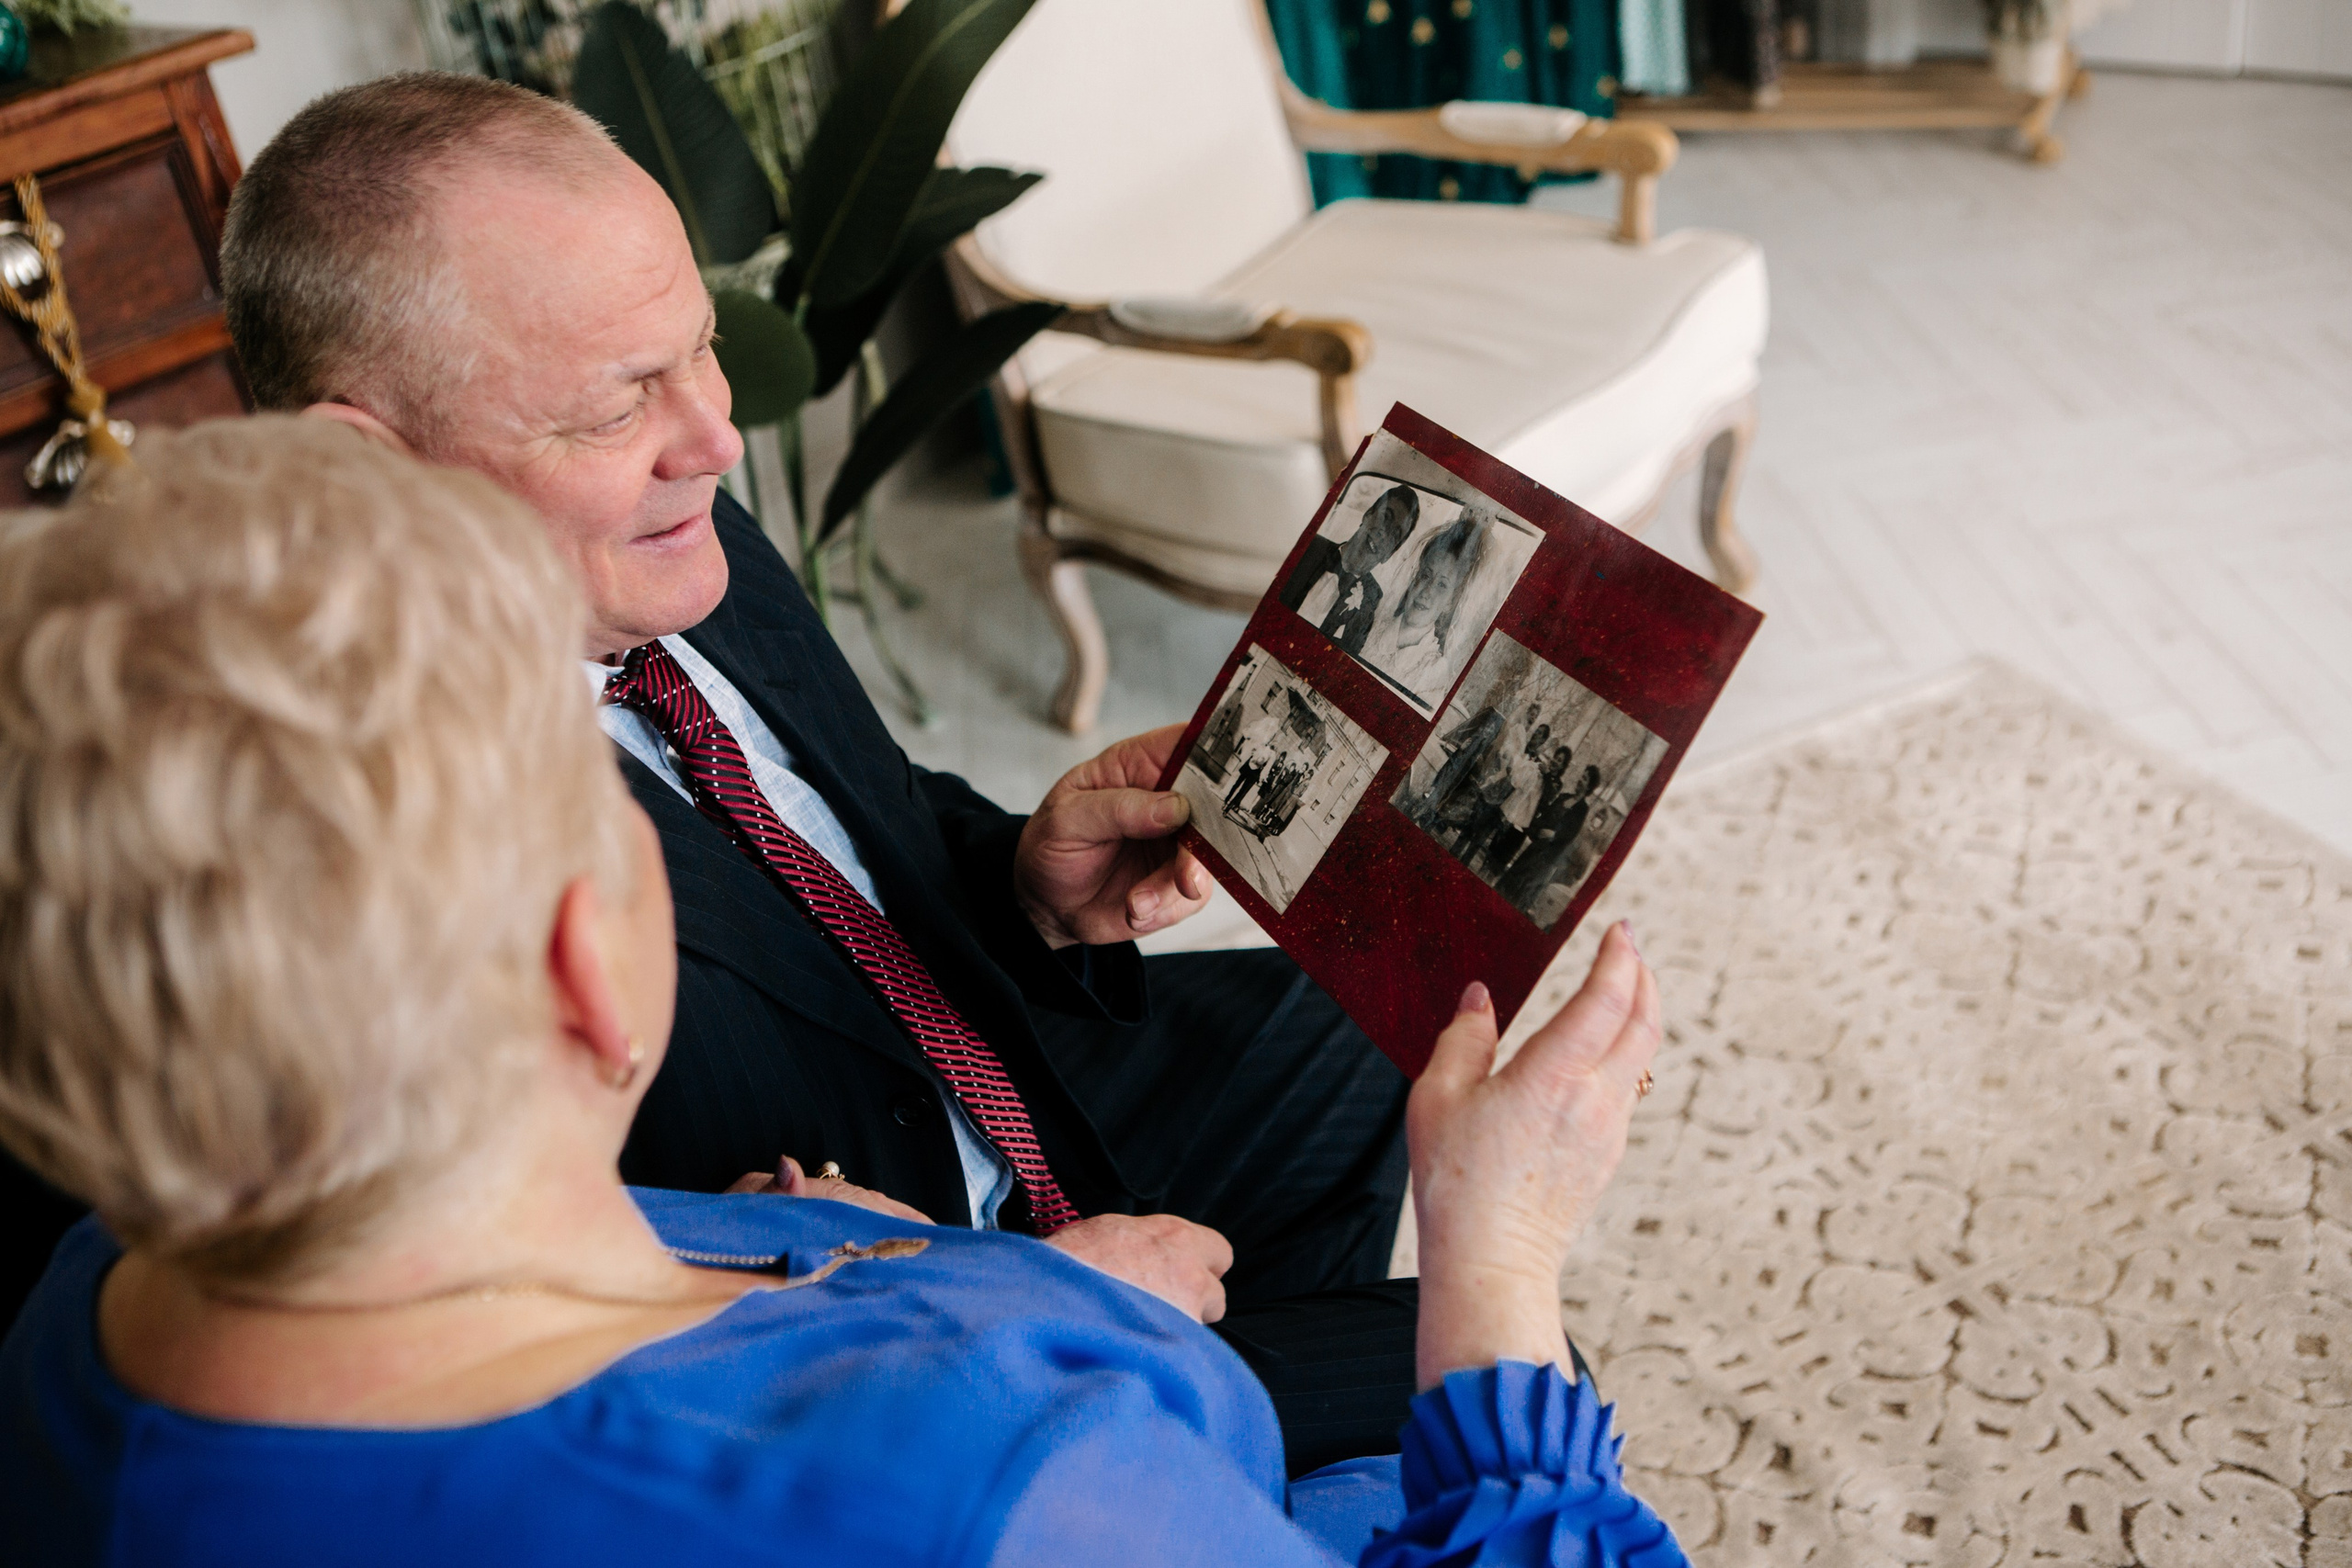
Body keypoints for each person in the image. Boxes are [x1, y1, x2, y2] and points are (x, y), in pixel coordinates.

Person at [0, 416, 1682, 1565]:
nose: (709, 433)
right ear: (596, 970)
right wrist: (1499, 1251)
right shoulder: (1012, 1456)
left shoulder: (85, 1314)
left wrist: (859, 1250)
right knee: (1489, 1384)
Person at [188, 71, 1418, 1471]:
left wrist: (1027, 879)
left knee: (1353, 1030)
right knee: (1494, 1369)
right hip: (876, 1359)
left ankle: (1207, 1452)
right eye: (614, 405)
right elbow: (540, 1384)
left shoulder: (669, 539)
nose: (717, 436)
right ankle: (1133, 1452)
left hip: (972, 1103)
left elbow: (830, 827)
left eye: (699, 347)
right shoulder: (336, 849)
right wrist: (1038, 1316)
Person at [1358, 514, 1490, 703]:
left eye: (1442, 585)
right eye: (1426, 576)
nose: (1427, 591)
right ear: (1415, 578)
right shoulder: (1371, 622)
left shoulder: (1434, 672)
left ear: (1450, 603)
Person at [1286, 485, 1419, 657]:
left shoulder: (1370, 603)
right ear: (1368, 515)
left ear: (1389, 554)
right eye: (1385, 517)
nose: (1384, 534)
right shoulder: (1311, 547)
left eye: (1395, 534)